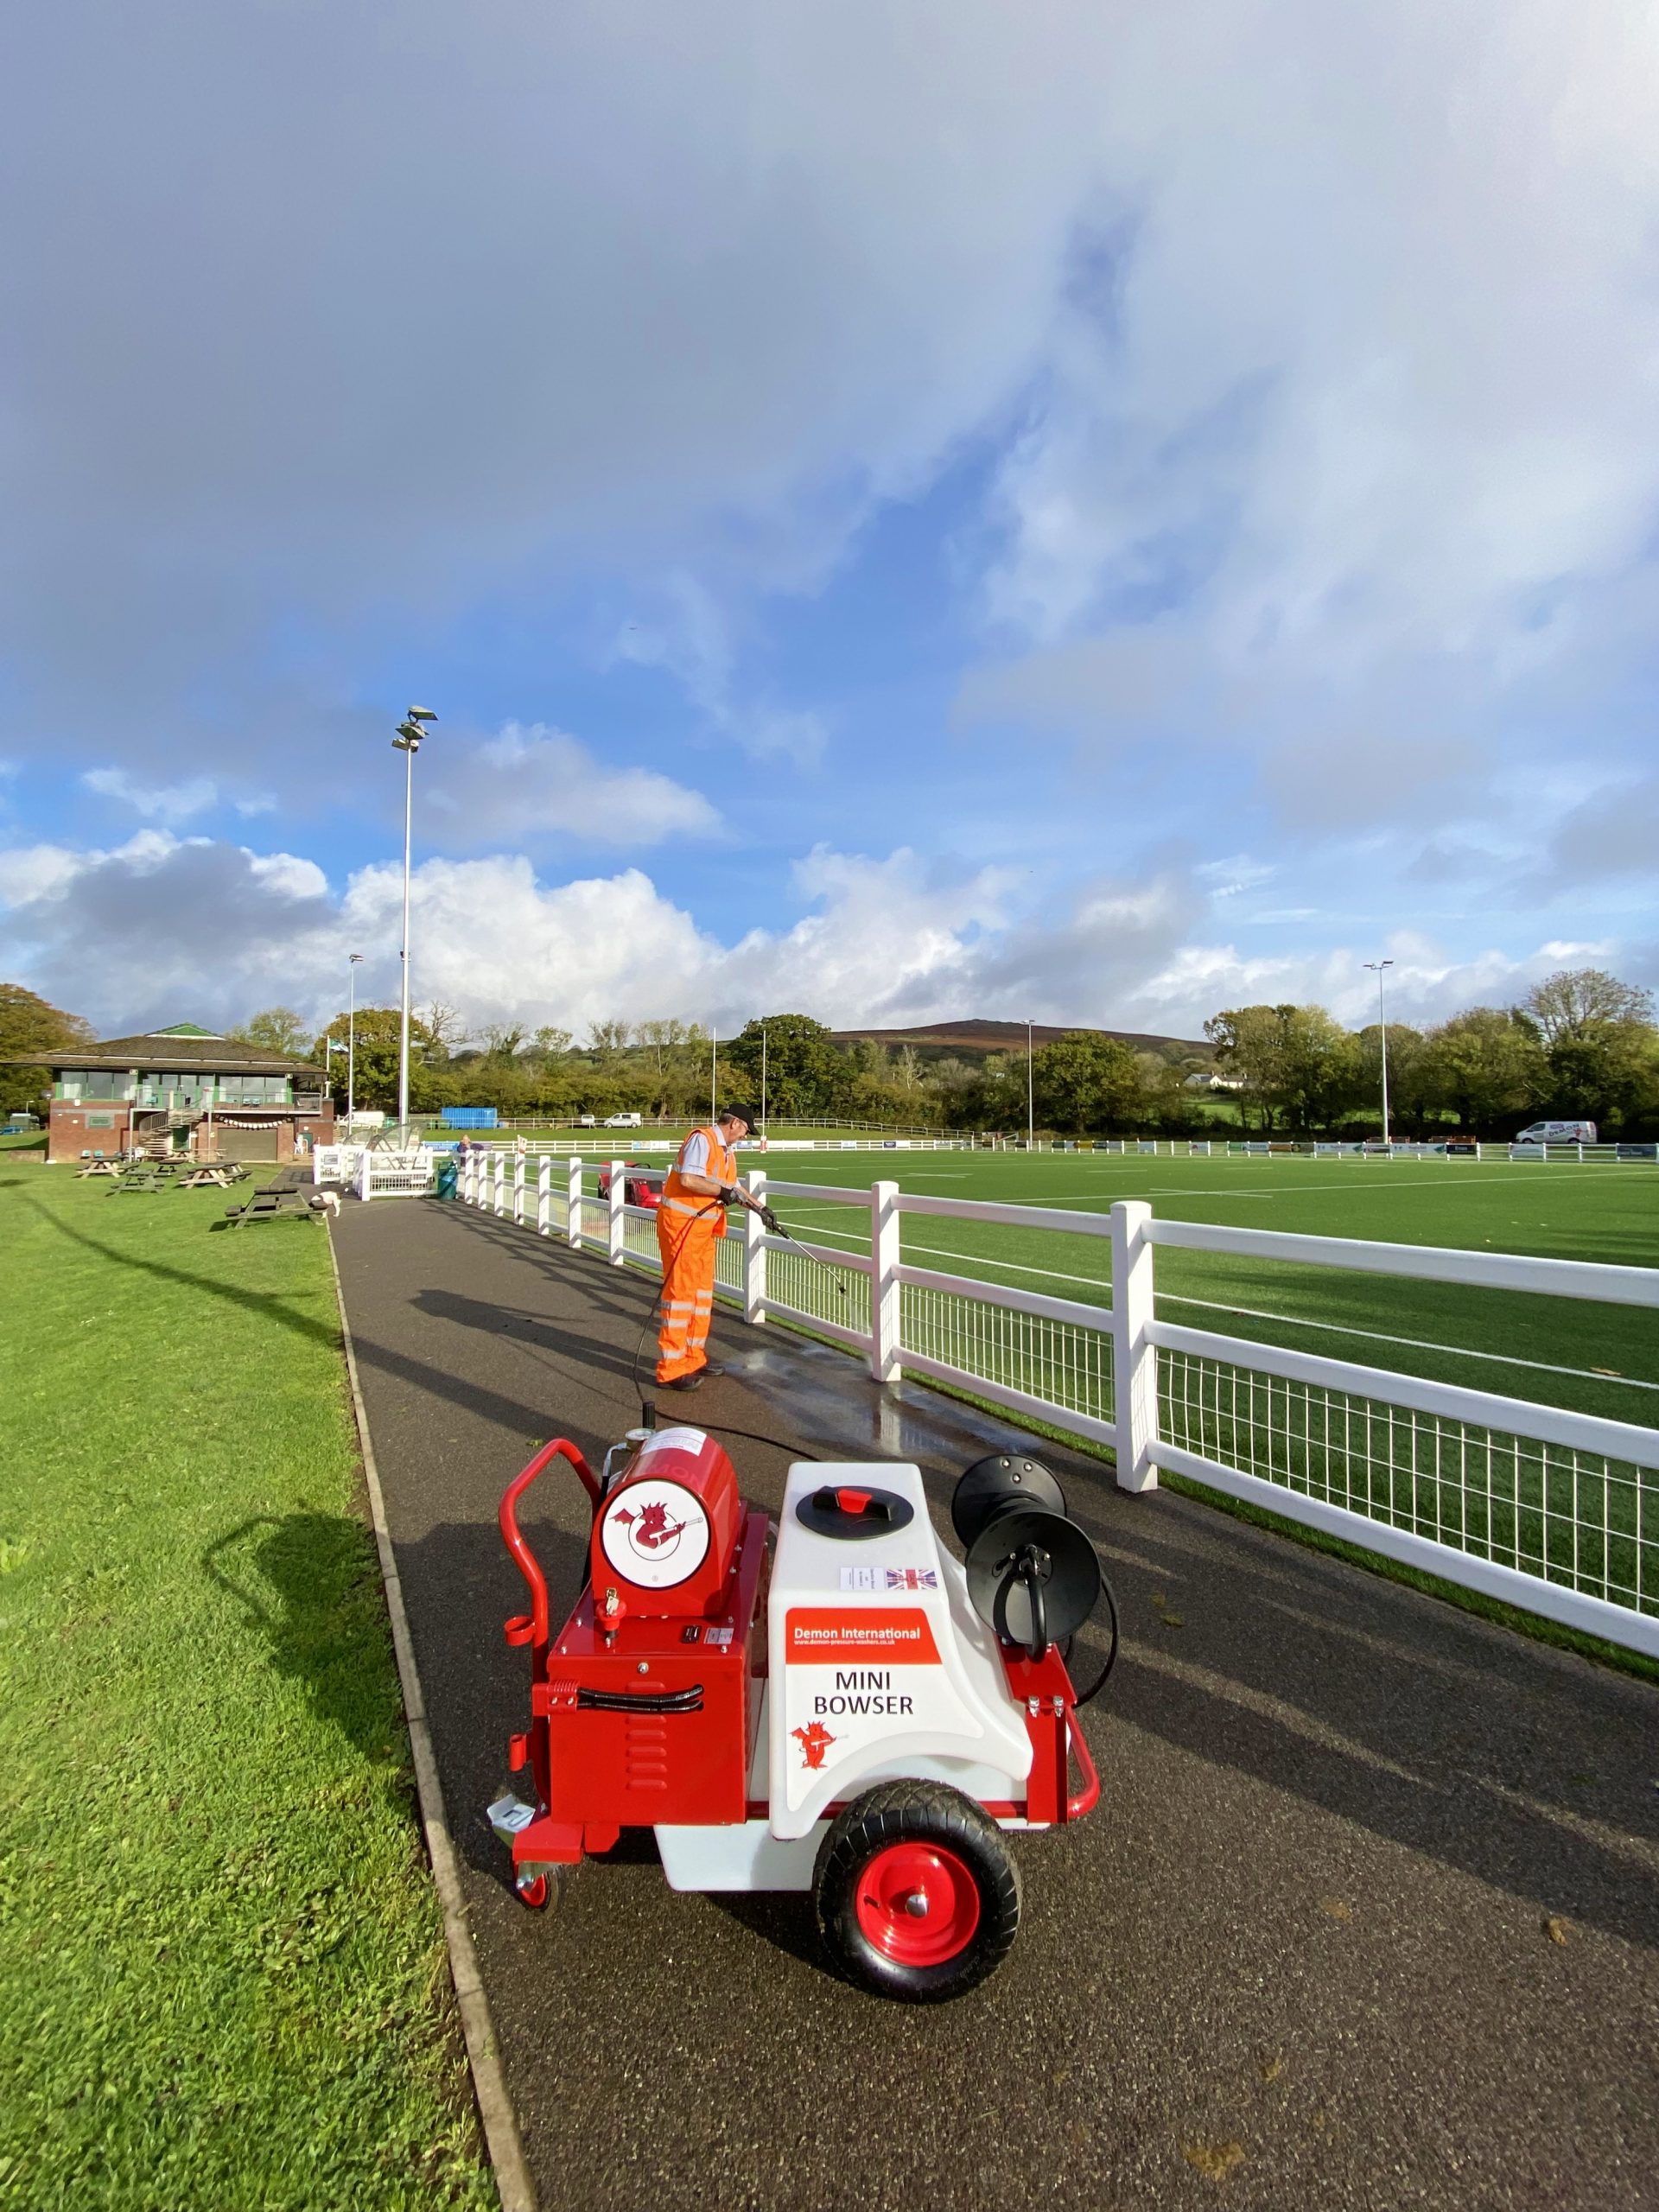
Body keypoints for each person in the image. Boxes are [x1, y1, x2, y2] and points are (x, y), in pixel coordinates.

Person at [654, 1103, 774, 1391]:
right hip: (682, 1227)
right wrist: (722, 1192)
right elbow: (689, 1179)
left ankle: (693, 1359)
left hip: (701, 1232)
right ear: (734, 1124)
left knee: (701, 1295)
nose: (744, 1137)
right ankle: (672, 1368)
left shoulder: (725, 1151)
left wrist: (760, 1208)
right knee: (680, 1296)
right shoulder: (702, 1140)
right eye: (745, 1131)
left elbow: (733, 1187)